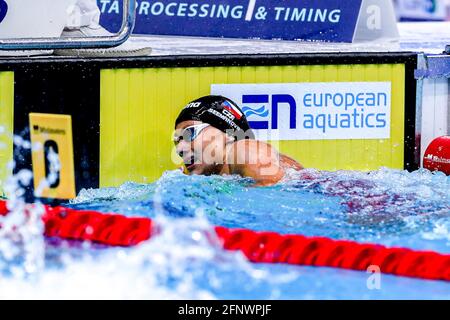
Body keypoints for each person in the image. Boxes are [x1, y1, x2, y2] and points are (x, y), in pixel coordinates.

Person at [174, 95, 303, 186]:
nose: (179, 148)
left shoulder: (245, 150)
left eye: (189, 133)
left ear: (229, 134)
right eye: (177, 141)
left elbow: (273, 192)